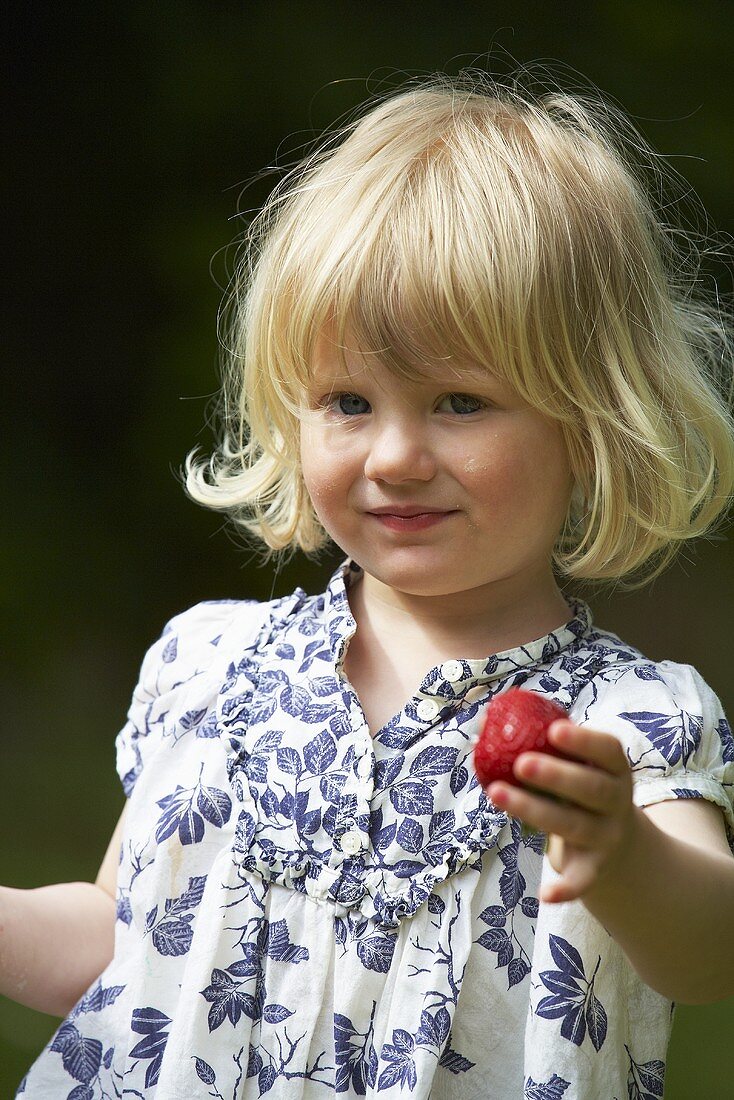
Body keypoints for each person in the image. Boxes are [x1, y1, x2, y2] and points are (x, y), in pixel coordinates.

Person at [5, 67, 734, 1100]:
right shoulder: (213, 665)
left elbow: (705, 953)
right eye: (347, 398)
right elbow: (118, 942)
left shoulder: (622, 724)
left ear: (590, 421)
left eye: (457, 400)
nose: (393, 453)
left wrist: (618, 850)